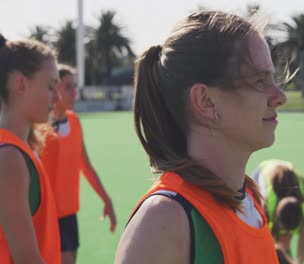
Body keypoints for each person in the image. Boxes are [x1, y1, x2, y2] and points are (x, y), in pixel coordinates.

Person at [115, 10, 287, 263]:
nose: (280, 96)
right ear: (205, 101)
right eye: (259, 81)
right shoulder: (165, 219)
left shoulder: (248, 199)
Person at [41, 64, 117, 264]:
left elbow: (86, 167)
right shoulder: (39, 127)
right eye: (68, 86)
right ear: (54, 88)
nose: (75, 92)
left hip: (69, 213)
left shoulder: (74, 122)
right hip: (46, 215)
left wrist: (106, 199)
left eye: (75, 86)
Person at [0, 34, 61, 263]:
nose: (57, 97)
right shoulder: (9, 157)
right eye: (50, 86)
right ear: (20, 84)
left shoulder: (17, 149)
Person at [252, 159, 304, 264]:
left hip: (287, 174)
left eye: (290, 234)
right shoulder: (264, 205)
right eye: (285, 233)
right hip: (262, 172)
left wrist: (300, 260)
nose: (288, 237)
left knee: (282, 247)